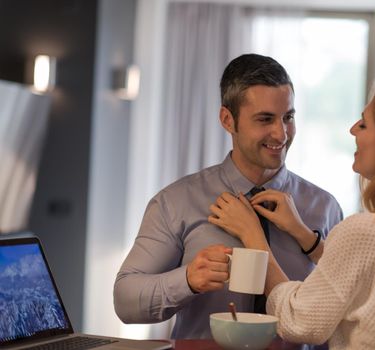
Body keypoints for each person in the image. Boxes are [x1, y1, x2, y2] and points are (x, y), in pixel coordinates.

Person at [209, 77, 375, 349]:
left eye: (365, 124)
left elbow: (299, 322)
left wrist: (255, 239)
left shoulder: (362, 231)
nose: (353, 129)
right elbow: (371, 274)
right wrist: (306, 237)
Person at [113, 53, 343, 339]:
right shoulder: (176, 202)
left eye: (288, 117)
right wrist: (187, 280)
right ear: (227, 119)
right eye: (265, 119)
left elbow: (343, 310)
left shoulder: (324, 208)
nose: (281, 134)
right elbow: (124, 299)